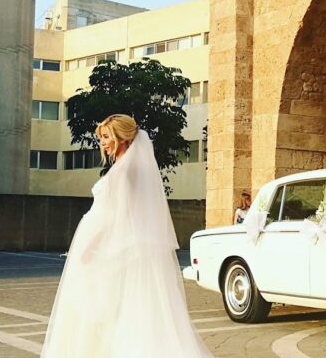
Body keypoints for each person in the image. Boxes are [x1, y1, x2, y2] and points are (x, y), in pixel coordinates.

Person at [41, 114, 212, 358]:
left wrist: (90, 246)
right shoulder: (130, 167)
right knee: (124, 314)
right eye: (101, 138)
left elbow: (116, 215)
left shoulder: (124, 170)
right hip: (121, 248)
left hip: (112, 250)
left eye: (107, 137)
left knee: (111, 313)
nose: (103, 143)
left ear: (122, 138)